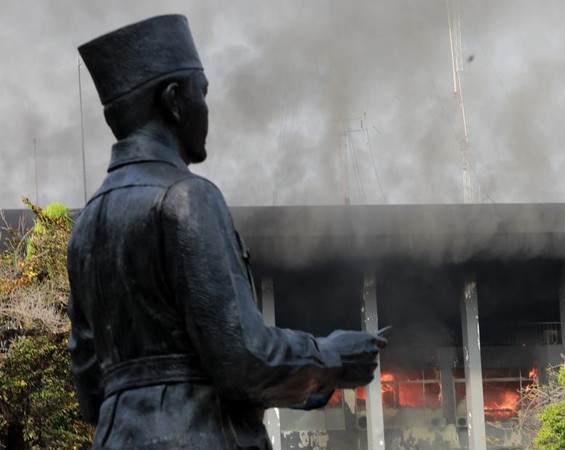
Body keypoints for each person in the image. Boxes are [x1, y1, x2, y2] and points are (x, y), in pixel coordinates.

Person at [67, 15, 385, 449]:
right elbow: (241, 358)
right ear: (174, 100)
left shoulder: (85, 228)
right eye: (203, 92)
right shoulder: (187, 199)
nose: (206, 108)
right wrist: (332, 356)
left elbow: (90, 392)